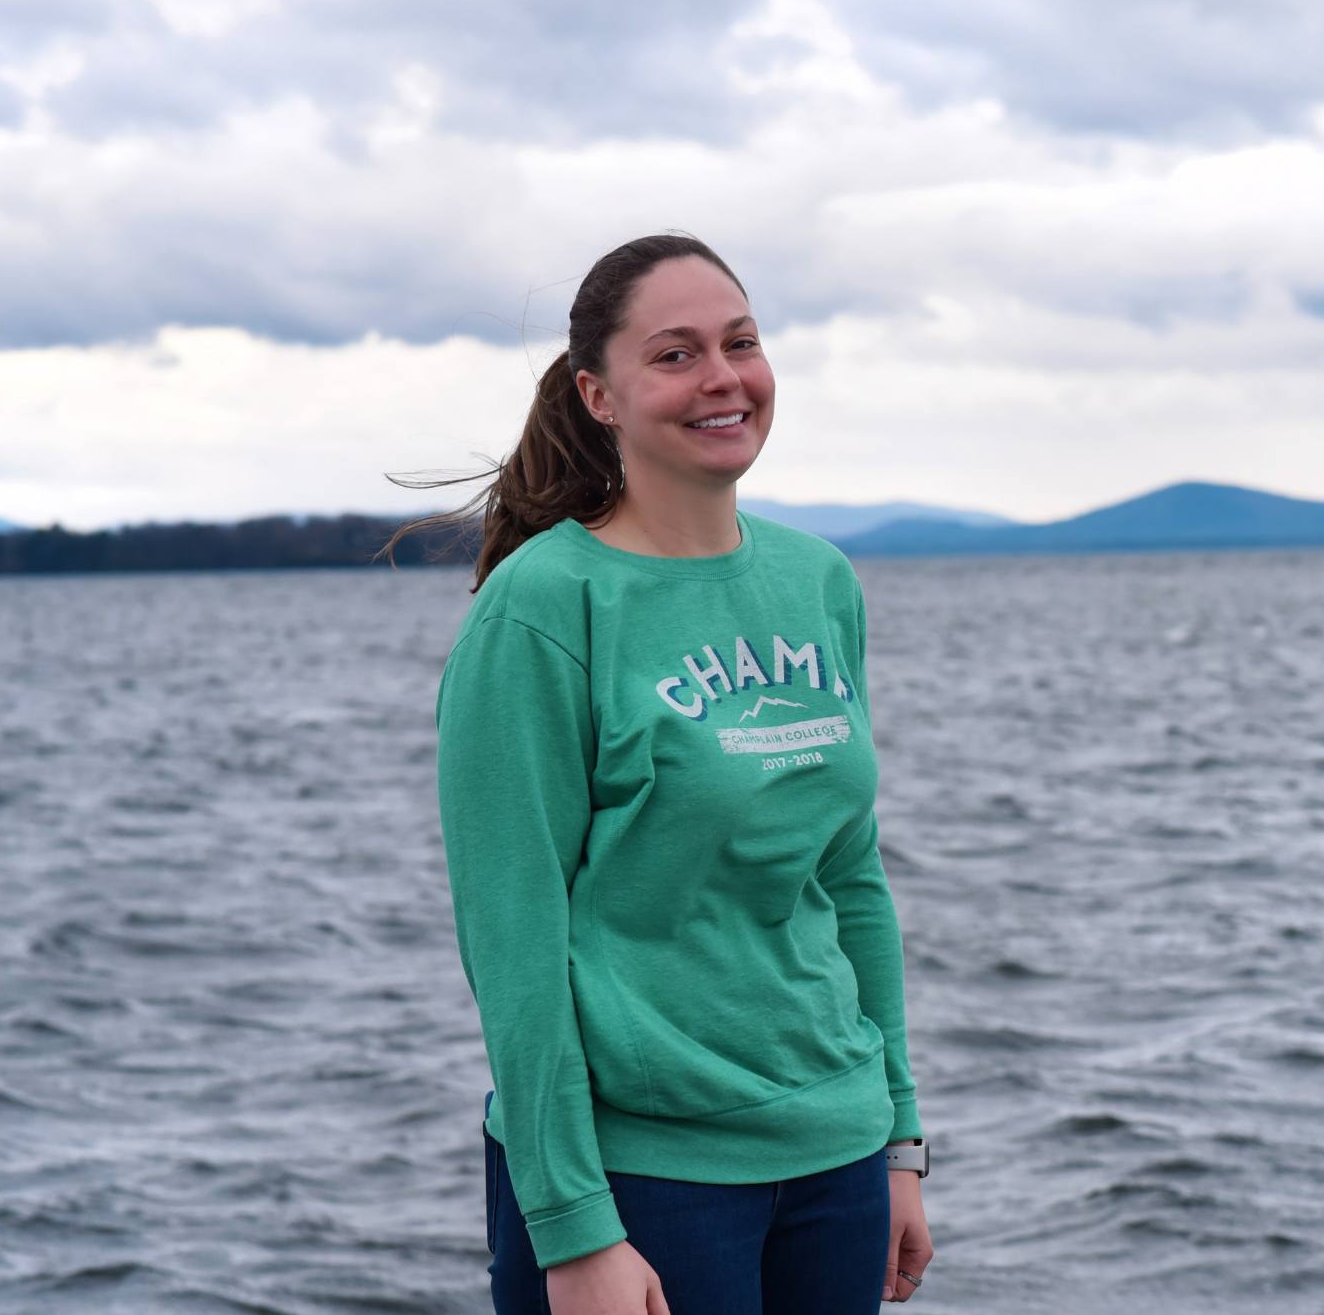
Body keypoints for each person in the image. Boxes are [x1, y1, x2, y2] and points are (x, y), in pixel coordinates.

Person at [397, 233, 933, 1314]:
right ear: (600, 395)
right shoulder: (545, 608)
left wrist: (896, 1135)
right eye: (676, 354)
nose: (722, 377)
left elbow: (849, 876)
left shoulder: (816, 580)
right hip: (644, 1175)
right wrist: (573, 1222)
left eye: (740, 342)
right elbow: (514, 935)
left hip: (833, 1152)